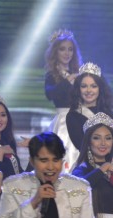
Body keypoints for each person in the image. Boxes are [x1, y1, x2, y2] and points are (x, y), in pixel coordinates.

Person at [65, 62, 113, 162]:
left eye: (93, 86)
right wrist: (109, 123)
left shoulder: (107, 112)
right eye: (84, 86)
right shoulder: (73, 116)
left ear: (100, 89)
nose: (88, 90)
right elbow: (82, 146)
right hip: (88, 165)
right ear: (78, 89)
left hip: (111, 163)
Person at [43, 28, 82, 171]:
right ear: (55, 52)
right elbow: (50, 94)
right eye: (62, 49)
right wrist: (68, 80)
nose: (67, 53)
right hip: (63, 122)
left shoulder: (79, 73)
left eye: (70, 49)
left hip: (80, 119)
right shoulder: (51, 75)